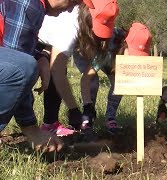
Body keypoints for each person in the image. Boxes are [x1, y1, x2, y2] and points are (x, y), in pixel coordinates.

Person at [0, 0, 81, 152]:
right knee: (25, 66)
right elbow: (16, 66)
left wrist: (40, 56)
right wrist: (32, 129)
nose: (70, 10)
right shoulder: (29, 4)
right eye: (72, 1)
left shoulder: (36, 6)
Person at [38, 0, 119, 138]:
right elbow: (56, 70)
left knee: (56, 77)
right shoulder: (70, 28)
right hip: (29, 37)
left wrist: (87, 106)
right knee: (24, 76)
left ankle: (50, 124)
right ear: (88, 18)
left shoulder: (81, 14)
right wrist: (73, 110)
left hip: (45, 40)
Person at [75, 5, 152, 135]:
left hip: (112, 58)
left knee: (119, 83)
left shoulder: (126, 48)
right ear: (125, 45)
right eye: (133, 54)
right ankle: (87, 118)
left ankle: (110, 118)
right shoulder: (106, 51)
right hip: (85, 49)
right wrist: (87, 105)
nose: (134, 59)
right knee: (93, 81)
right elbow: (85, 79)